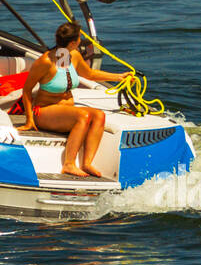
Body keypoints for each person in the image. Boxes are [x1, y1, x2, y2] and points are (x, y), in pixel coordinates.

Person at [20, 22, 133, 178]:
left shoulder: (71, 56)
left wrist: (119, 77)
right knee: (83, 116)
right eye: (79, 37)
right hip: (44, 111)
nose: (81, 39)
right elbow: (26, 90)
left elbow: (90, 74)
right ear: (73, 42)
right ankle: (69, 164)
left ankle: (86, 163)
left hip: (66, 112)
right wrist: (29, 120)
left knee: (99, 116)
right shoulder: (45, 62)